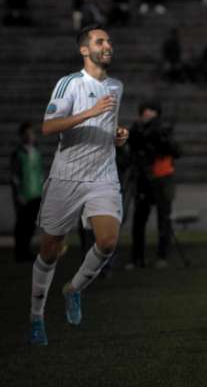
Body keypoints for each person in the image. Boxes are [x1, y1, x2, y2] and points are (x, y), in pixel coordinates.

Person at [29, 25, 128, 346]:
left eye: (108, 40)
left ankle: (73, 289)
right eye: (100, 41)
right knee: (50, 250)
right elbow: (49, 127)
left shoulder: (116, 86)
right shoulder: (69, 83)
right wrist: (90, 112)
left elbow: (106, 123)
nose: (107, 45)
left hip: (103, 175)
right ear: (85, 50)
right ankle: (36, 318)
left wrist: (117, 135)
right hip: (67, 177)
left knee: (108, 241)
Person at [128, 102, 180, 269]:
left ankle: (162, 256)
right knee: (139, 219)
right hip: (143, 178)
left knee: (163, 218)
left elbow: (176, 151)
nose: (148, 115)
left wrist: (161, 139)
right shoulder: (136, 130)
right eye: (145, 112)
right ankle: (137, 258)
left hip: (162, 177)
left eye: (151, 112)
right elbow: (132, 149)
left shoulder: (162, 130)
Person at [10, 122, 45, 262]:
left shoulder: (37, 153)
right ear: (21, 136)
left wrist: (42, 191)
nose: (30, 136)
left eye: (31, 133)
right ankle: (20, 253)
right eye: (26, 133)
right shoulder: (17, 154)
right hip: (24, 195)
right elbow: (14, 177)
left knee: (30, 225)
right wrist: (18, 194)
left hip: (36, 194)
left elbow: (40, 174)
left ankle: (26, 252)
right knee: (21, 225)